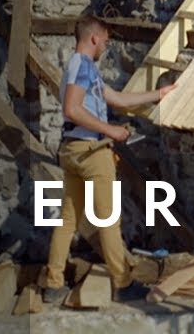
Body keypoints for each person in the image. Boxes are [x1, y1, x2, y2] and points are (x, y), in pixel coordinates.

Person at [42, 15, 176, 305]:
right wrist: (111, 130)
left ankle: (53, 284)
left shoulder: (81, 68)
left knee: (68, 220)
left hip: (73, 149)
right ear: (94, 37)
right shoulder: (83, 66)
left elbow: (118, 99)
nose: (106, 45)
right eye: (104, 40)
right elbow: (71, 109)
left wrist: (158, 94)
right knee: (109, 220)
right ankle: (123, 284)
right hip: (92, 151)